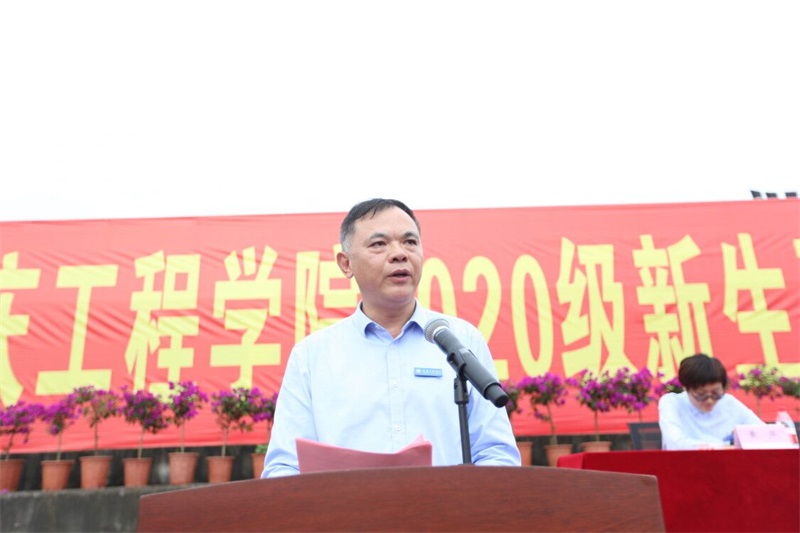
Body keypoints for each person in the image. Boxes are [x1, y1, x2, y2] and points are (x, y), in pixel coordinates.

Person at [261, 198, 520, 477]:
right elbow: (283, 467)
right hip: (346, 506)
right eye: (379, 244)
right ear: (346, 264)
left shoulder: (462, 340)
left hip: (446, 506)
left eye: (410, 242)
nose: (399, 254)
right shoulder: (312, 356)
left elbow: (497, 453)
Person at [658, 353, 764, 450]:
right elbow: (676, 444)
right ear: (686, 388)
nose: (709, 400)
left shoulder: (729, 403)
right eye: (701, 394)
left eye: (715, 393)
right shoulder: (672, 403)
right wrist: (723, 447)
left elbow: (765, 435)